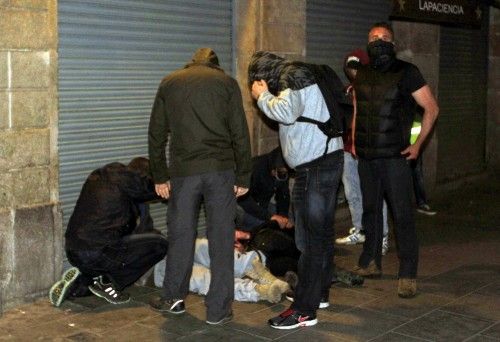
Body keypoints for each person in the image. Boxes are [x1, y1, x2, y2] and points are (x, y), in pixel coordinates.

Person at [148, 47, 252, 325]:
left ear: (191, 63)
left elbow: (157, 132)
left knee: (181, 236)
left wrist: (159, 174)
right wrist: (244, 175)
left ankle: (173, 298)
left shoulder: (170, 82)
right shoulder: (227, 83)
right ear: (216, 66)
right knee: (221, 239)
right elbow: (239, 131)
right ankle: (218, 310)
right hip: (220, 172)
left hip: (184, 174)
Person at [249, 51, 344, 329]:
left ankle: (303, 309)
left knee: (310, 241)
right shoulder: (299, 75)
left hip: (317, 166)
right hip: (319, 164)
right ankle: (319, 292)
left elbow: (287, 113)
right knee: (321, 235)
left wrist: (262, 96)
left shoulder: (293, 74)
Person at [351, 22, 439, 298]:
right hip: (367, 157)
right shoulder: (361, 73)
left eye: (384, 37)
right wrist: (354, 142)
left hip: (395, 158)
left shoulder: (407, 72)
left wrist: (417, 145)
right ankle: (370, 261)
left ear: (393, 43)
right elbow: (358, 110)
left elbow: (431, 108)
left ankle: (408, 272)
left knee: (402, 216)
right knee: (371, 212)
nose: (378, 41)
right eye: (373, 37)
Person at [49, 157, 168, 307]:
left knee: (109, 258)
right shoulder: (130, 183)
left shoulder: (102, 176)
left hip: (74, 250)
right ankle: (110, 284)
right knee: (161, 243)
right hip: (97, 252)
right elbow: (155, 191)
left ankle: (78, 286)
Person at [335, 49, 390, 256]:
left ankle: (382, 235)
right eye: (350, 68)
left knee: (374, 194)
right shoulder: (348, 90)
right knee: (352, 192)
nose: (354, 72)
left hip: (368, 151)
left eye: (358, 68)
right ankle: (360, 229)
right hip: (348, 149)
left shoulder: (376, 90)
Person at [154, 235, 290, 304]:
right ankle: (258, 291)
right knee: (202, 277)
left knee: (204, 246)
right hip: (156, 267)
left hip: (167, 246)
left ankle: (259, 271)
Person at [237, 146, 292, 231]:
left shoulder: (282, 171)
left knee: (287, 220)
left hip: (261, 204)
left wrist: (283, 216)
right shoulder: (254, 168)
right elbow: (244, 200)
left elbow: (283, 195)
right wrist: (270, 217)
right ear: (273, 169)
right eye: (281, 173)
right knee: (263, 225)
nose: (284, 175)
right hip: (242, 205)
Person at [410, 116, 437, 216]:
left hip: (411, 147)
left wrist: (414, 146)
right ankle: (421, 203)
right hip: (408, 146)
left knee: (417, 174)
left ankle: (421, 203)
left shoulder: (416, 115)